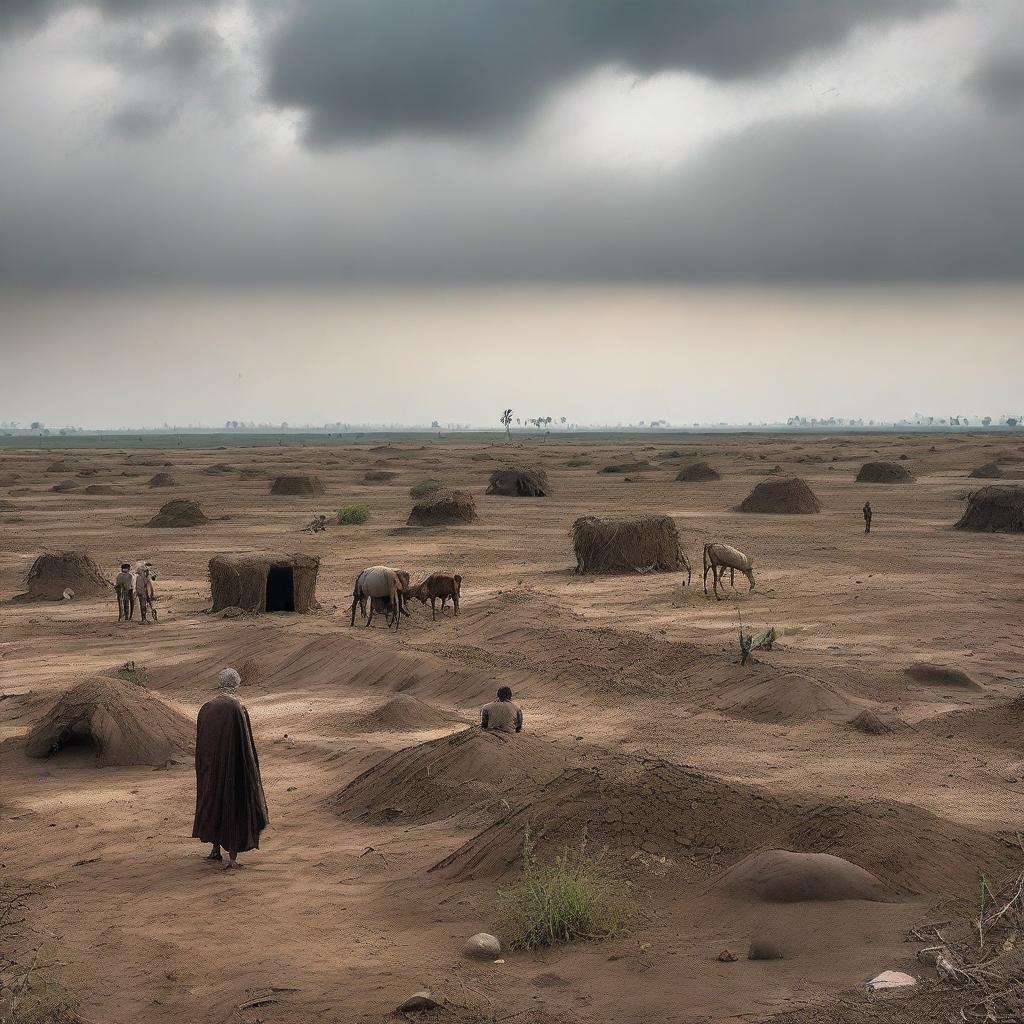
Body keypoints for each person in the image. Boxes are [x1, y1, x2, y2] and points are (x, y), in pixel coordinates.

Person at [192, 668, 269, 870]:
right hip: (232, 768)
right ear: (235, 684)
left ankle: (215, 850)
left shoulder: (206, 707)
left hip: (209, 769)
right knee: (233, 807)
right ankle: (232, 859)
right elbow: (244, 744)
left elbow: (201, 743)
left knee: (213, 802)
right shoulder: (237, 708)